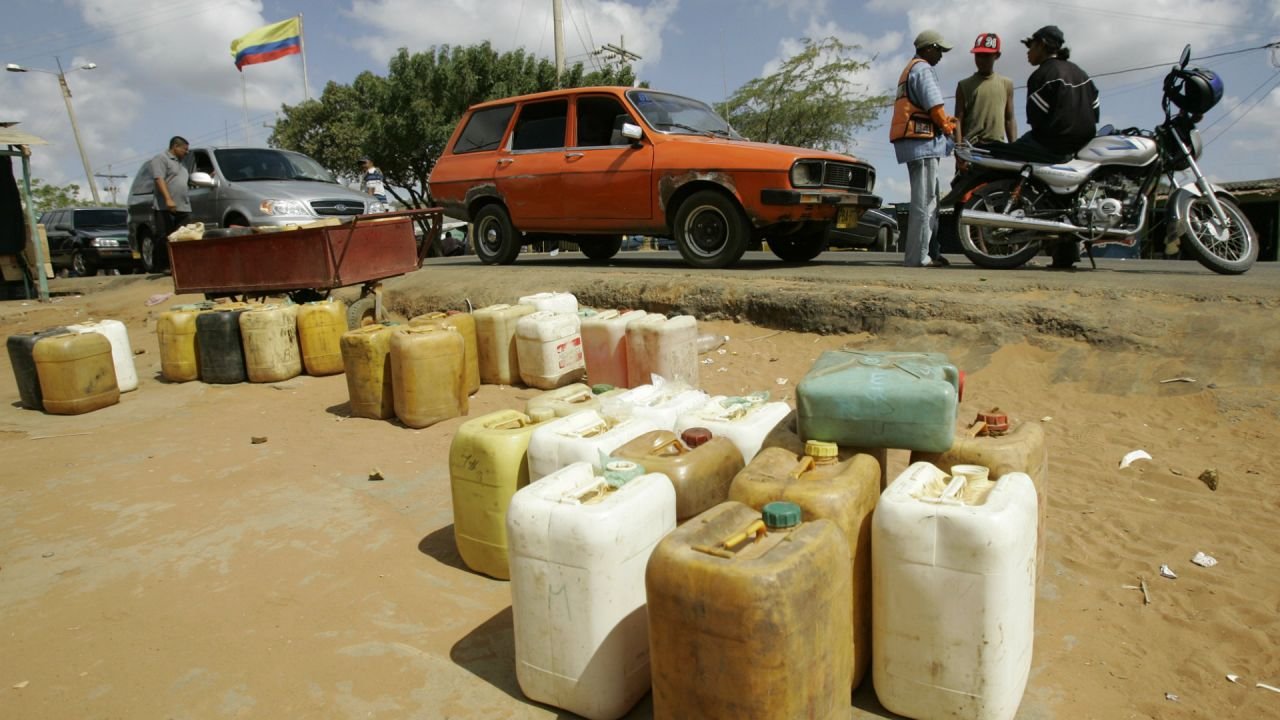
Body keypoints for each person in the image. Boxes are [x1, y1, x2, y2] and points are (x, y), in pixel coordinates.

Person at [1015, 25, 1101, 268]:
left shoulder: (1042, 76)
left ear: (1042, 44)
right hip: (1081, 145)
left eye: (1030, 46)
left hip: (1049, 142)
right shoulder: (1082, 74)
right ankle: (1066, 253)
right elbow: (1095, 111)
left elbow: (1036, 118)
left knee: (1007, 154)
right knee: (1067, 198)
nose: (1028, 52)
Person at [890, 30, 957, 268]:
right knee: (925, 201)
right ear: (928, 48)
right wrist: (948, 127)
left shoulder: (910, 69)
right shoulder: (923, 69)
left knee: (926, 200)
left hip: (914, 143)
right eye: (939, 50)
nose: (941, 56)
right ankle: (919, 258)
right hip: (923, 144)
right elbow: (935, 108)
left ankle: (923, 254)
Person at [954, 32, 1017, 172]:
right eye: (978, 55)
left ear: (997, 56)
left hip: (997, 149)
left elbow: (1009, 118)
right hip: (971, 148)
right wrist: (959, 151)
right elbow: (958, 120)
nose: (981, 60)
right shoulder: (964, 85)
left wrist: (1015, 149)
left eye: (987, 56)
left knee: (996, 190)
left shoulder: (1006, 84)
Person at [150, 135, 190, 265]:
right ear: (175, 146)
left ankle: (180, 264)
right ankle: (164, 265)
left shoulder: (182, 164)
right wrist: (168, 199)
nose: (186, 152)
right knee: (164, 236)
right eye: (184, 149)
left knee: (182, 236)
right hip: (165, 206)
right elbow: (159, 179)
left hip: (183, 205)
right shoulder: (161, 159)